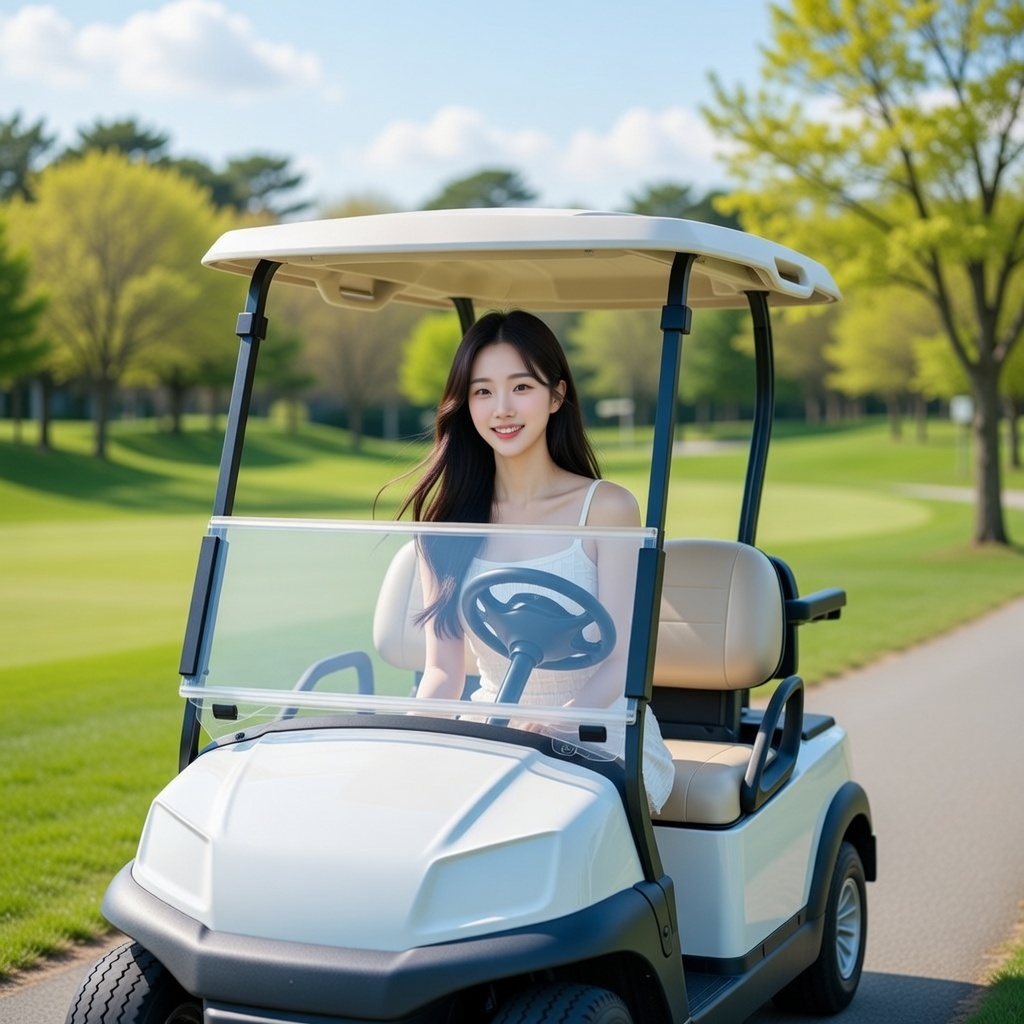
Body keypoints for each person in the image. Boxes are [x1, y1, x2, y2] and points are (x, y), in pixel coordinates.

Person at [399, 309, 673, 814]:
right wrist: (400, 737)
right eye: (482, 391)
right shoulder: (444, 526)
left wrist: (553, 722)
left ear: (556, 395)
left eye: (520, 387)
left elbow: (620, 665)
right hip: (497, 733)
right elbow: (443, 673)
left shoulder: (608, 509)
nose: (501, 408)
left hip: (601, 736)